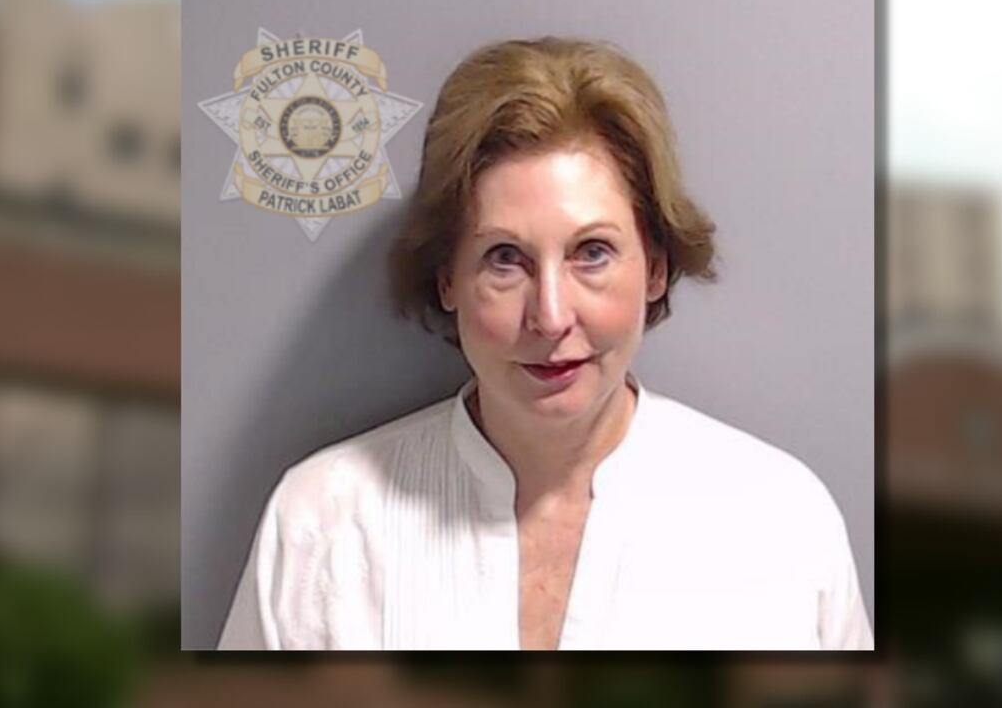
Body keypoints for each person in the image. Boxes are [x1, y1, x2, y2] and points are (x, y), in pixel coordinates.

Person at [218, 37, 873, 650]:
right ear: (447, 278)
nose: (551, 317)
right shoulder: (321, 524)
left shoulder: (781, 520)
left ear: (655, 266)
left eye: (592, 252)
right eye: (505, 258)